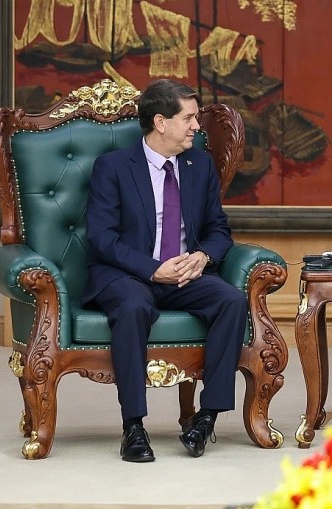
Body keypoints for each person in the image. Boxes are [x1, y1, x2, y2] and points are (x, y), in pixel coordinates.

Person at [81, 79, 248, 462]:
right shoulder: (114, 167)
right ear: (160, 121)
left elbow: (218, 229)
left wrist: (202, 258)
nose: (196, 126)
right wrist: (154, 270)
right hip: (128, 274)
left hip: (186, 274)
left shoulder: (199, 164)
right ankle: (134, 427)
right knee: (134, 306)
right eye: (188, 117)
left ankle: (206, 418)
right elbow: (101, 238)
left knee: (231, 301)